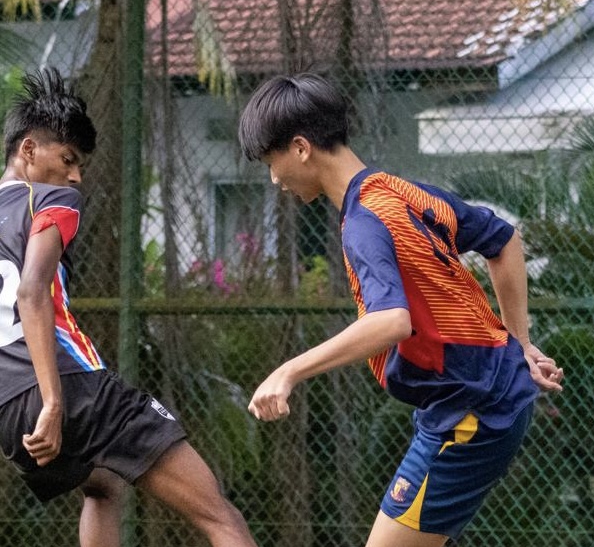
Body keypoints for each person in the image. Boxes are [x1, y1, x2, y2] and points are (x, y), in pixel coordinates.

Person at [239, 72, 565, 547]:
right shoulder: (405, 191)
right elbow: (505, 241)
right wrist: (519, 341)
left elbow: (391, 321)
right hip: (479, 398)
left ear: (301, 147)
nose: (274, 179)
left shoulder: (363, 223)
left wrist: (289, 371)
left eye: (272, 161)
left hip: (472, 411)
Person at [0, 67, 258, 547]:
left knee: (103, 486)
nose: (76, 176)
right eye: (69, 158)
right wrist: (53, 402)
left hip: (7, 407)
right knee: (220, 517)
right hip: (65, 386)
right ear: (28, 151)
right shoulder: (52, 198)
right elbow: (31, 291)